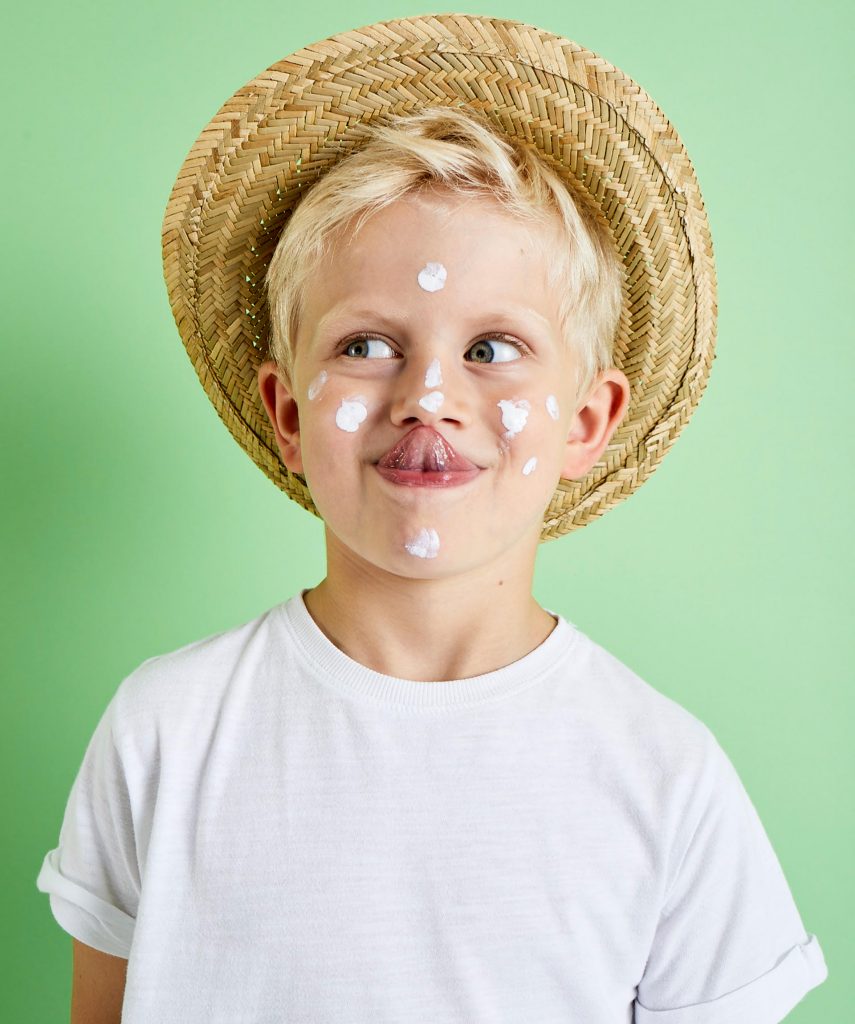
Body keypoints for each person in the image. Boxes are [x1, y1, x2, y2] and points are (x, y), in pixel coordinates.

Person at [36, 14, 828, 1023]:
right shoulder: (165, 730)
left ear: (589, 422)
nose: (429, 395)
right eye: (368, 345)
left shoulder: (666, 778)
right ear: (287, 412)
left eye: (493, 348)